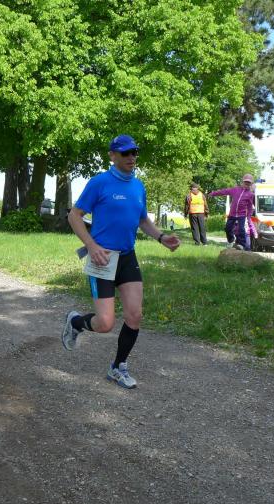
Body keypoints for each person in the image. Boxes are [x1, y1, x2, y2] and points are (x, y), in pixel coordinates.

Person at [62, 134, 180, 389]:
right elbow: (74, 215)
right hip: (102, 258)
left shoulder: (138, 186)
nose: (131, 157)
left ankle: (117, 367)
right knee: (105, 324)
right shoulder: (100, 183)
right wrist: (91, 245)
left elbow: (142, 220)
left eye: (134, 152)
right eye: (125, 153)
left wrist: (161, 237)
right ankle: (75, 322)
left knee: (134, 315)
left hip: (127, 257)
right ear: (112, 155)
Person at [208, 174, 256, 251]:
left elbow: (250, 206)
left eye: (249, 183)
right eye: (246, 182)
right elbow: (224, 191)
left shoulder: (250, 194)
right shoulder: (235, 189)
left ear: (251, 184)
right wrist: (213, 194)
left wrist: (249, 215)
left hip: (242, 215)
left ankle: (242, 245)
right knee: (228, 228)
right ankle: (231, 240)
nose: (247, 184)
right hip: (232, 214)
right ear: (242, 182)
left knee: (241, 229)